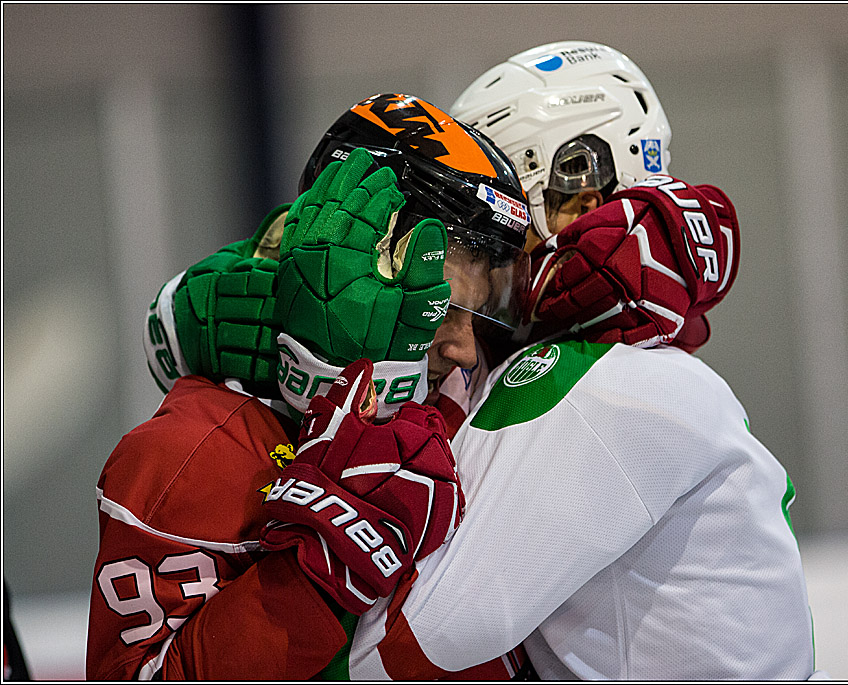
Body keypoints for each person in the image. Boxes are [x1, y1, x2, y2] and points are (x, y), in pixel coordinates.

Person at [338, 42, 818, 680]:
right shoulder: (643, 371)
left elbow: (400, 652)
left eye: (497, 218)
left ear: (579, 194)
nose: (480, 253)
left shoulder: (592, 383)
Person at [87, 93, 533, 680]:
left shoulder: (451, 398)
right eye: (441, 310)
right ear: (370, 257)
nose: (466, 349)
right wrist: (315, 573)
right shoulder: (187, 456)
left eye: (477, 316)